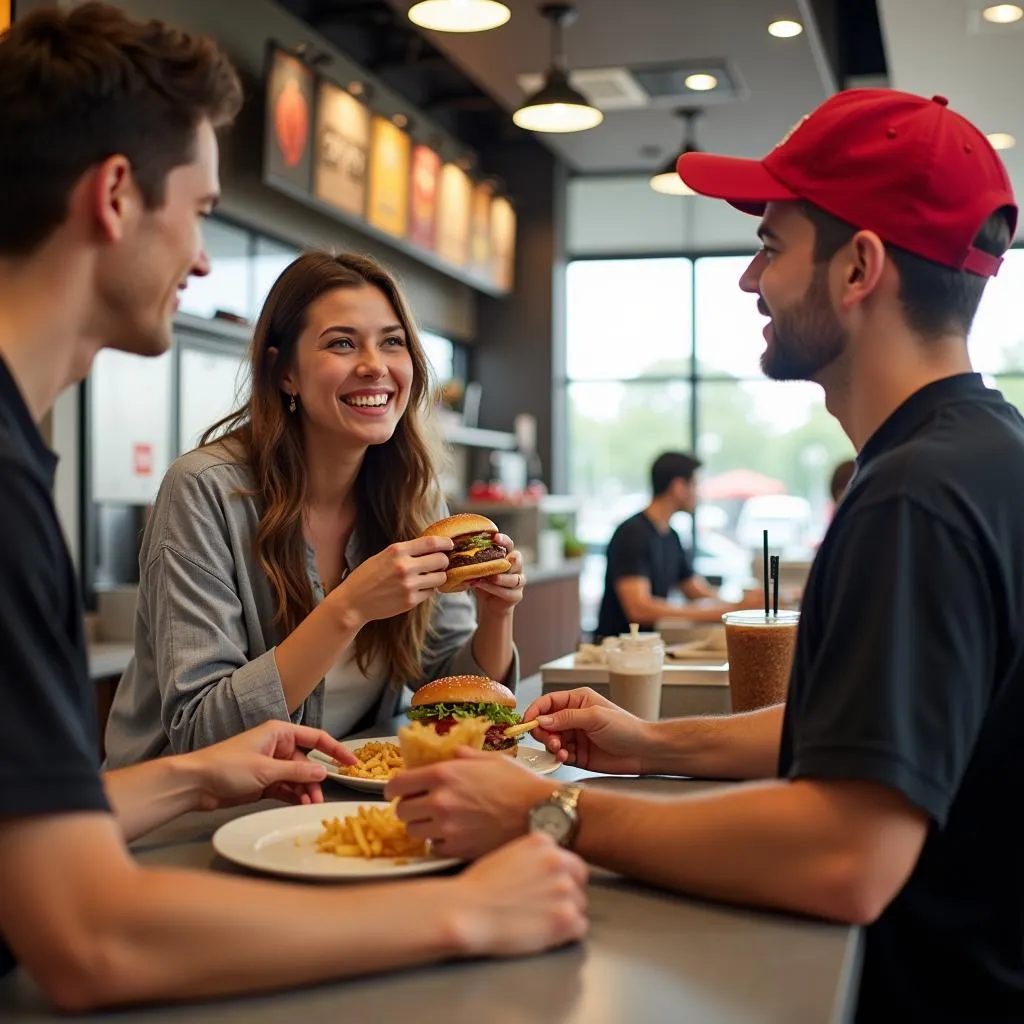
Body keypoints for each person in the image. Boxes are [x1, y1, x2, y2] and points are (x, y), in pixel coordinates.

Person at [386, 89, 1024, 1019]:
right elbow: (867, 737)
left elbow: (845, 855)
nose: (746, 279)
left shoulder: (915, 498)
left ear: (860, 267)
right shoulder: (978, 452)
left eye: (771, 245)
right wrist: (645, 745)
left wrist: (546, 812)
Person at [0, 4, 586, 1011]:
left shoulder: (20, 455)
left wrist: (493, 620)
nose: (198, 261)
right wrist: (468, 914)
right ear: (113, 196)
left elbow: (82, 817)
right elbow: (88, 935)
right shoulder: (116, 488)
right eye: (197, 212)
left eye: (393, 342)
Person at [104, 250, 524, 766]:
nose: (375, 365)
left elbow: (448, 692)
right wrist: (347, 608)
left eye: (392, 342)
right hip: (185, 820)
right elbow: (201, 732)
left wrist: (496, 614)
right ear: (285, 374)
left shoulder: (414, 493)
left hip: (332, 800)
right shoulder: (203, 491)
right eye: (342, 343)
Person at [594, 451, 756, 638]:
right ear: (679, 486)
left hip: (651, 647)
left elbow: (694, 589)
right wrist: (727, 611)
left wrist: (740, 605)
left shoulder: (671, 536)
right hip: (619, 650)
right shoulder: (632, 533)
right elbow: (639, 608)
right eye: (695, 484)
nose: (698, 494)